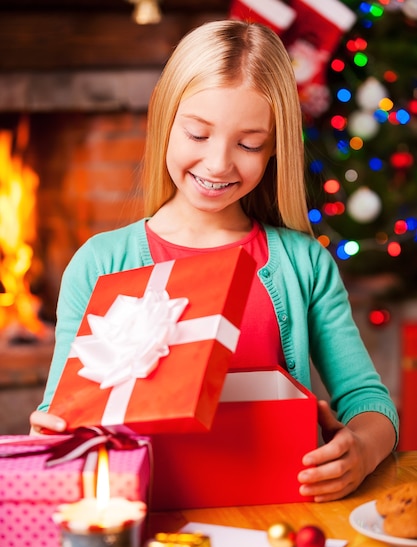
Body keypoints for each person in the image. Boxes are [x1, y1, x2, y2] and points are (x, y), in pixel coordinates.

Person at [30, 19, 398, 503]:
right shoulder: (100, 263)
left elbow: (368, 401)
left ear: (273, 150)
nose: (219, 163)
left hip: (281, 514)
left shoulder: (304, 264)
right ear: (165, 121)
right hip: (152, 515)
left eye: (248, 144)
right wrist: (53, 436)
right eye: (198, 134)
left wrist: (363, 450)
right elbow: (62, 410)